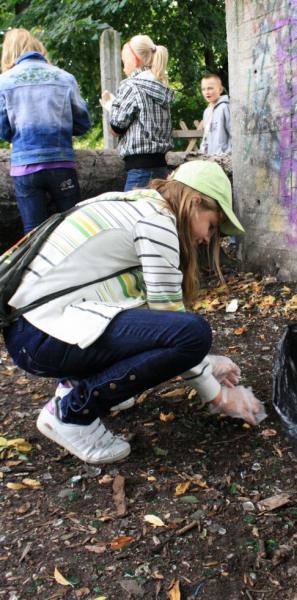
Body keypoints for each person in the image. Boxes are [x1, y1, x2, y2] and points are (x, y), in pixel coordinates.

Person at [2, 160, 266, 464]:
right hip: (40, 336)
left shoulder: (133, 204)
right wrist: (219, 397)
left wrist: (206, 362)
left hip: (28, 330)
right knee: (193, 334)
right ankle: (72, 413)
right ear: (195, 202)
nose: (209, 239)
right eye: (212, 225)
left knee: (184, 337)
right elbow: (173, 322)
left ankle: (74, 385)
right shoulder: (158, 223)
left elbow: (147, 317)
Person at [0, 28, 91, 233]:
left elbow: (3, 129)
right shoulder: (65, 78)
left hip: (26, 168)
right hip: (61, 165)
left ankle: (38, 265)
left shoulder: (4, 82)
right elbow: (83, 123)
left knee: (33, 233)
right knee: (73, 229)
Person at [100, 34, 174, 191]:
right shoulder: (160, 87)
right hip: (162, 170)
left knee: (134, 215)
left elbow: (116, 128)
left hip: (140, 172)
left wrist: (112, 106)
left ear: (134, 60)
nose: (123, 66)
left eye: (124, 61)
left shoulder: (131, 86)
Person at [200, 73, 231, 155]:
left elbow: (233, 134)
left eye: (210, 88)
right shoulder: (206, 112)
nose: (206, 92)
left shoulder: (225, 107)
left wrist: (227, 154)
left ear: (220, 90)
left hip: (224, 158)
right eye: (203, 89)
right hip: (209, 158)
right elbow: (205, 136)